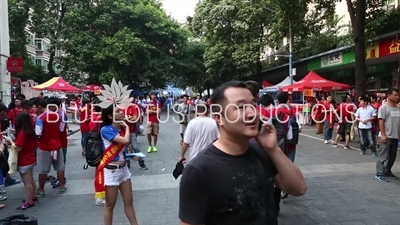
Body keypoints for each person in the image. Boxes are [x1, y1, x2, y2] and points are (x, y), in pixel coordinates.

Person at [179, 81, 306, 225]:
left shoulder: (260, 151)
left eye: (253, 105)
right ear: (219, 118)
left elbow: (298, 188)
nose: (252, 113)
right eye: (240, 107)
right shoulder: (199, 171)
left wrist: (273, 149)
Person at [98, 105, 139, 225]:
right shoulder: (105, 129)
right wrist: (127, 127)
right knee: (110, 205)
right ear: (110, 116)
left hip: (124, 169)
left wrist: (133, 155)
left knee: (129, 201)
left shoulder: (121, 129)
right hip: (112, 171)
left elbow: (125, 147)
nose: (121, 112)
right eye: (117, 111)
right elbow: (125, 140)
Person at [35, 98, 66, 197]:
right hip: (57, 145)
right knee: (60, 167)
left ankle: (41, 189)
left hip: (44, 146)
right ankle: (62, 186)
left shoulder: (40, 118)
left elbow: (38, 133)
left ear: (40, 106)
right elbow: (61, 129)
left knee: (43, 170)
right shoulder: (58, 116)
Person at [11, 112, 38, 210]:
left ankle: (29, 201)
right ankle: (33, 196)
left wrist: (11, 142)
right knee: (31, 179)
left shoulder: (22, 133)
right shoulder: (30, 131)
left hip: (24, 160)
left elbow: (18, 148)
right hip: (31, 158)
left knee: (27, 182)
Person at [375, 87, 400, 182]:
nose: (397, 97)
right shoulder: (383, 107)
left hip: (395, 136)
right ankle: (379, 173)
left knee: (392, 156)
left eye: (398, 95)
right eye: (395, 95)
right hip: (386, 136)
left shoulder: (398, 108)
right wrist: (383, 135)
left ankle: (387, 170)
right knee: (383, 156)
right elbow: (381, 121)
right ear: (388, 95)